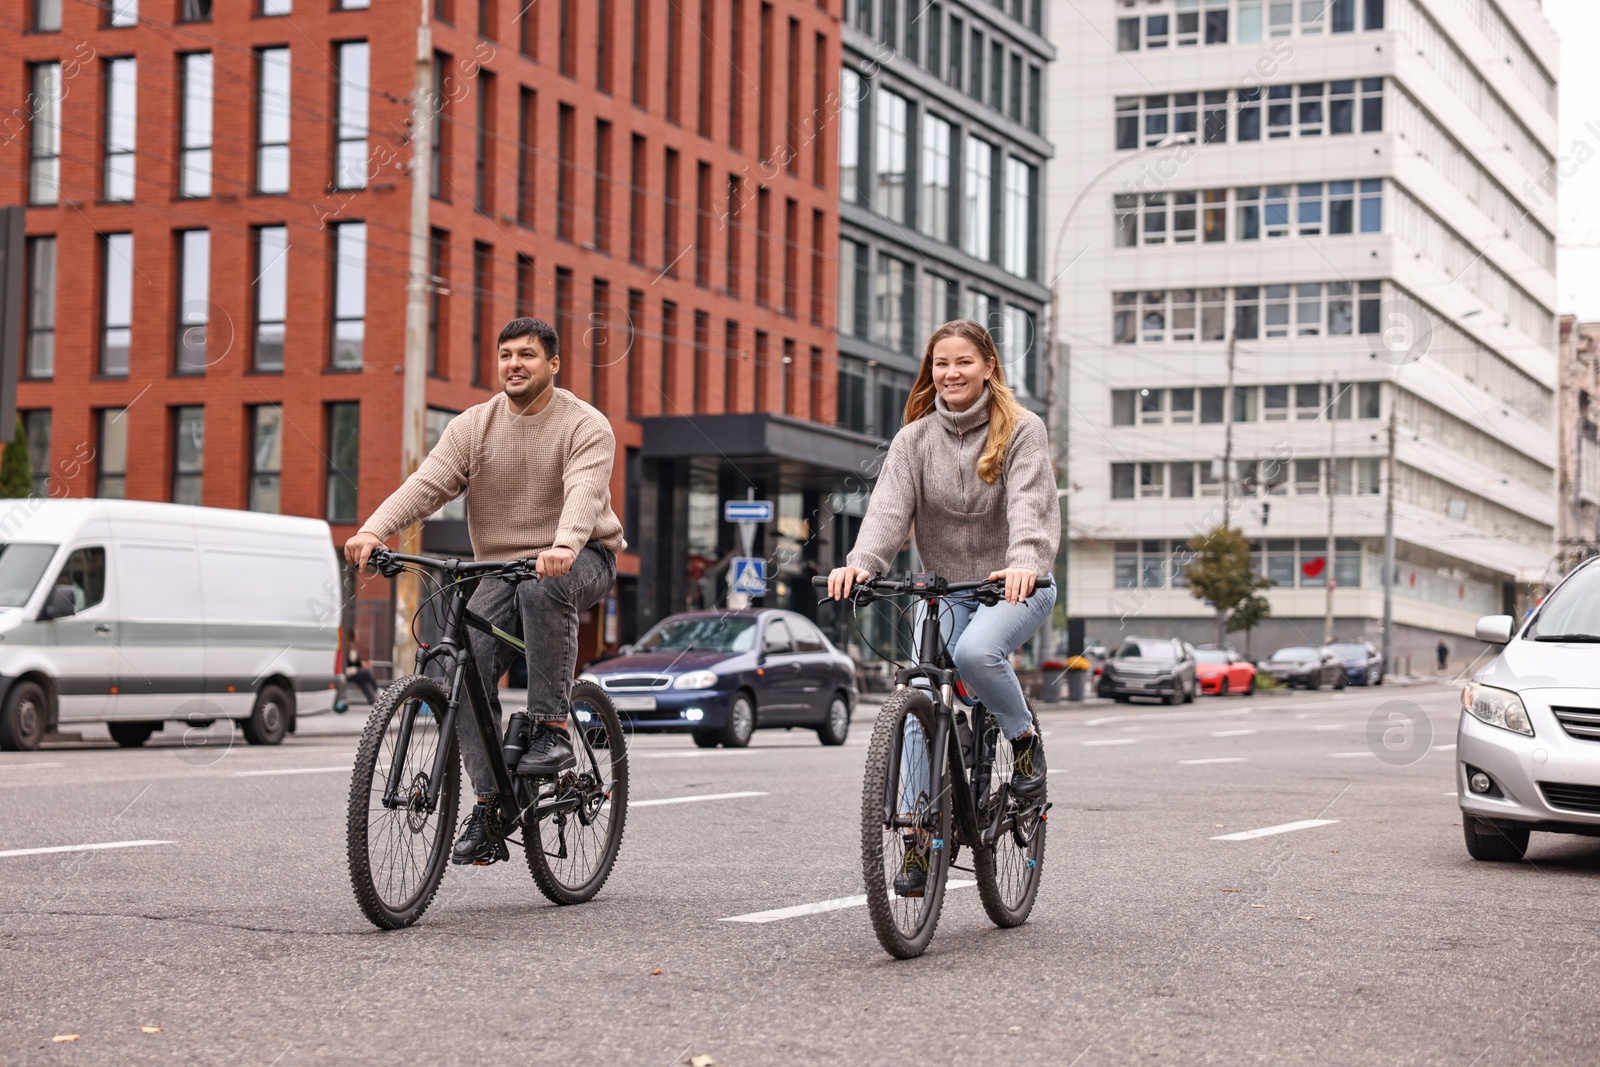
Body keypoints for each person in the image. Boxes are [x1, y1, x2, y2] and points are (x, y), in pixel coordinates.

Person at [345, 317, 625, 866]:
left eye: (527, 355)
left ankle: (550, 728)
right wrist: (376, 529)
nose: (513, 364)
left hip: (582, 555)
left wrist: (565, 545)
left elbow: (583, 495)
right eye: (505, 355)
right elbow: (427, 483)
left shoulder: (585, 425)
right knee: (453, 668)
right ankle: (493, 803)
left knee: (543, 591)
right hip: (498, 565)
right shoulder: (474, 426)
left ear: (554, 364)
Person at [827, 319, 1060, 898]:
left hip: (1014, 585)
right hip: (944, 591)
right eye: (941, 364)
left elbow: (1032, 505)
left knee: (978, 652)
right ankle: (916, 832)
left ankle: (1024, 744)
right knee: (916, 695)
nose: (951, 374)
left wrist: (1026, 560)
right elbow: (886, 511)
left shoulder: (1022, 430)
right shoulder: (914, 440)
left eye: (963, 362)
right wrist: (861, 563)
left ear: (988, 368)